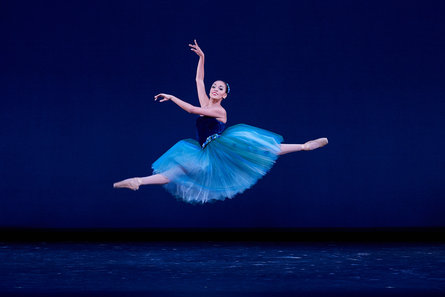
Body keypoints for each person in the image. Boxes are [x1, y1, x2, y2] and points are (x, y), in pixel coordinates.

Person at [113, 40, 328, 203]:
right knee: (174, 173)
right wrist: (202, 57)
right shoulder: (206, 103)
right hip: (203, 151)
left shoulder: (218, 109)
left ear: (224, 95)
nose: (215, 88)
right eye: (214, 86)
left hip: (221, 147)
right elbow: (198, 79)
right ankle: (138, 181)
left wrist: (171, 96)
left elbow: (189, 110)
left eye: (220, 88)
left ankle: (304, 146)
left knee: (260, 148)